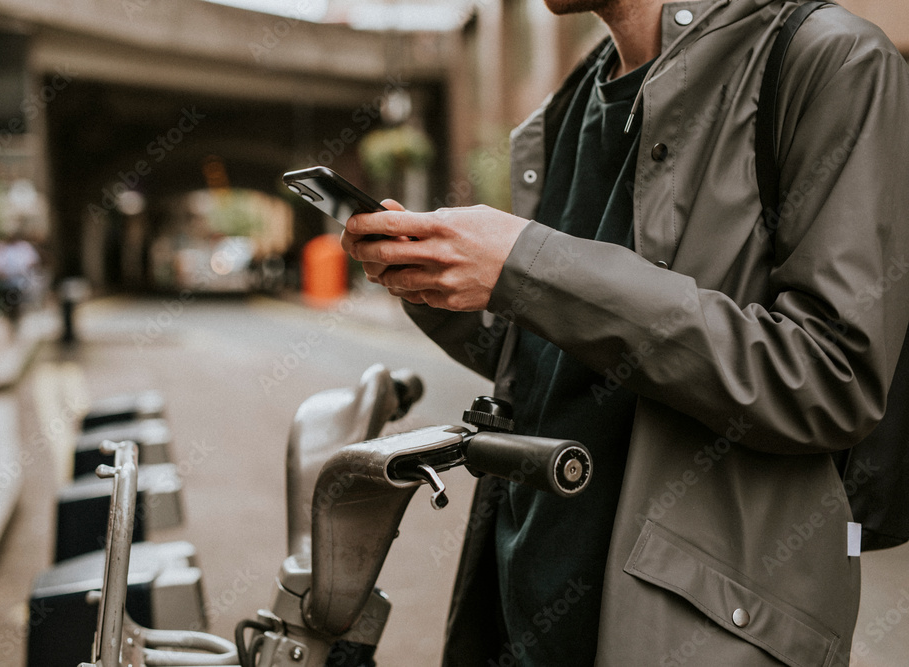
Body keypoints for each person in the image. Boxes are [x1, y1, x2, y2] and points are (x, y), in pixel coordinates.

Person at [340, 0, 909, 665]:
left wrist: (529, 268)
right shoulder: (569, 107)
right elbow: (567, 362)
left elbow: (828, 376)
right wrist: (441, 279)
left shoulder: (834, 60)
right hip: (519, 620)